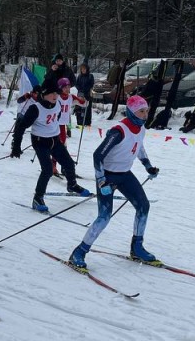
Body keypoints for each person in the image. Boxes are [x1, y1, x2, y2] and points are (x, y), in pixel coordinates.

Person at [68, 95, 161, 269]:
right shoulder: (119, 131)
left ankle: (137, 248)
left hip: (125, 174)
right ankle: (78, 252)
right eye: (142, 111)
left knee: (143, 206)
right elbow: (98, 155)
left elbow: (138, 147)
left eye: (147, 111)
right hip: (108, 176)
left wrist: (148, 166)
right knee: (104, 217)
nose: (146, 114)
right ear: (132, 112)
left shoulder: (140, 128)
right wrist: (101, 180)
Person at [10, 77, 91, 212]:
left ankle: (72, 185)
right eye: (51, 93)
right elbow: (20, 127)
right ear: (44, 94)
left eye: (56, 93)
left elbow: (57, 117)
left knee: (69, 164)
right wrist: (16, 147)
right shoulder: (35, 108)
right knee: (47, 170)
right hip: (40, 142)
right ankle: (38, 198)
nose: (55, 96)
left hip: (55, 140)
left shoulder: (57, 103)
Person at [74, 62, 94, 126]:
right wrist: (80, 89)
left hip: (88, 94)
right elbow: (76, 84)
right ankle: (80, 121)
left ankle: (87, 122)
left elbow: (91, 84)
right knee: (79, 108)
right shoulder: (79, 76)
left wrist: (86, 90)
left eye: (84, 69)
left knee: (87, 108)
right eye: (82, 69)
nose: (83, 70)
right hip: (80, 94)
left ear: (87, 69)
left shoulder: (90, 76)